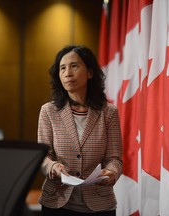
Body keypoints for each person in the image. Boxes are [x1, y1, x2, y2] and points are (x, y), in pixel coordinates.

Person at [37, 45, 123, 216]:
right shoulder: (48, 111)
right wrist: (53, 166)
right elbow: (43, 156)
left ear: (90, 73)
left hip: (100, 205)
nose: (67, 73)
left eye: (74, 66)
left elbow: (114, 158)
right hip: (57, 203)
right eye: (62, 68)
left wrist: (111, 172)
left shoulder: (109, 112)